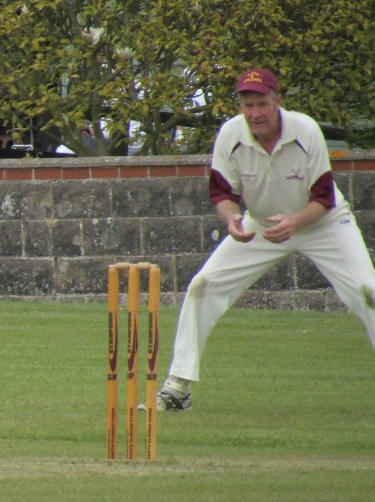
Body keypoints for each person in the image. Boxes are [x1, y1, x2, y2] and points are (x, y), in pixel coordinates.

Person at [158, 67, 375, 411]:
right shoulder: (231, 134)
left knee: (369, 292)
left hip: (324, 222)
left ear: (278, 101)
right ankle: (177, 387)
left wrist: (295, 221)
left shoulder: (306, 131)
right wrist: (232, 219)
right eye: (248, 105)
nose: (255, 113)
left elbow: (323, 197)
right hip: (259, 224)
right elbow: (223, 191)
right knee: (203, 286)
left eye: (262, 103)